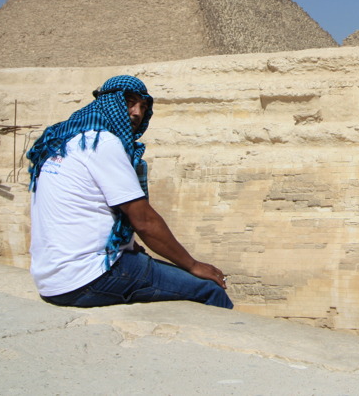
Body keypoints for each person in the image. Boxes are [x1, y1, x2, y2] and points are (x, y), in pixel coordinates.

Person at [26, 75, 232, 309]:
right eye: (129, 103)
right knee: (210, 290)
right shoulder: (103, 143)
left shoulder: (64, 140)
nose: (137, 113)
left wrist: (130, 247)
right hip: (87, 278)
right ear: (109, 103)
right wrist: (193, 265)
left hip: (51, 278)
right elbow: (144, 220)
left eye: (143, 107)